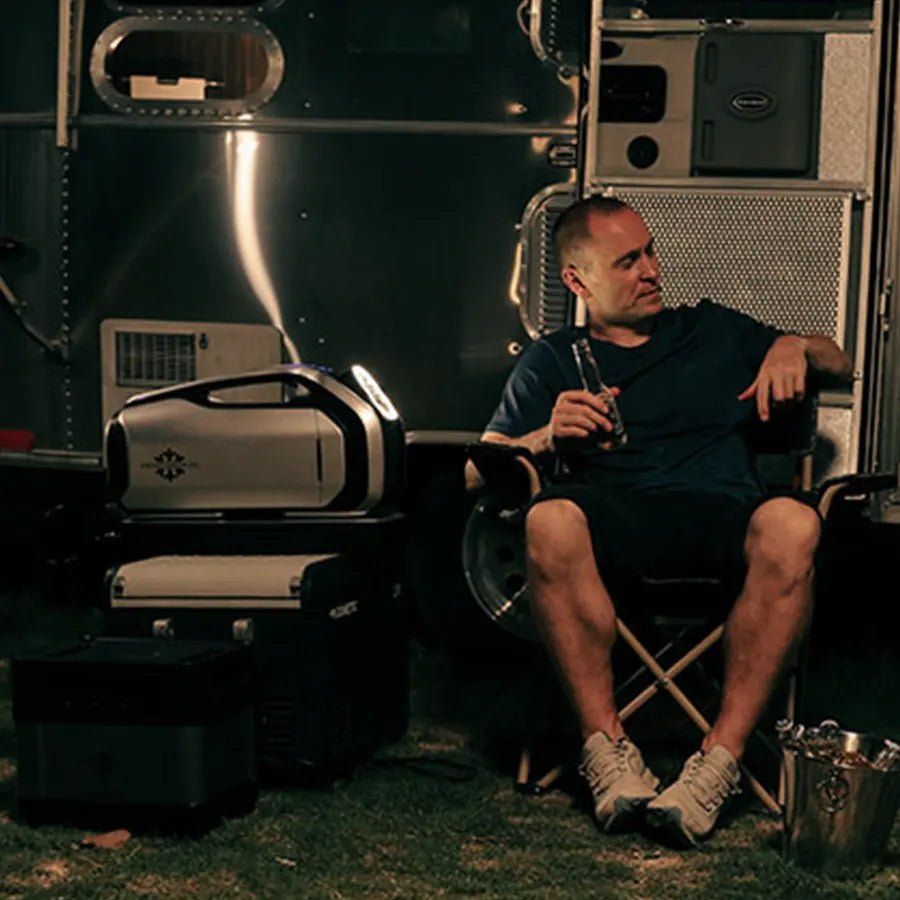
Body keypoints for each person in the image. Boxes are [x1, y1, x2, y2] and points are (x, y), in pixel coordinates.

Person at [471, 196, 852, 847]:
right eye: (627, 262)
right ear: (577, 281)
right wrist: (545, 435)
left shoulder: (712, 329)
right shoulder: (555, 359)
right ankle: (607, 753)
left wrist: (792, 346)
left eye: (650, 252)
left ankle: (718, 763)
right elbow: (478, 471)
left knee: (794, 523)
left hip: (721, 519)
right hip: (616, 528)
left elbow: (838, 361)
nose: (651, 271)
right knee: (550, 519)